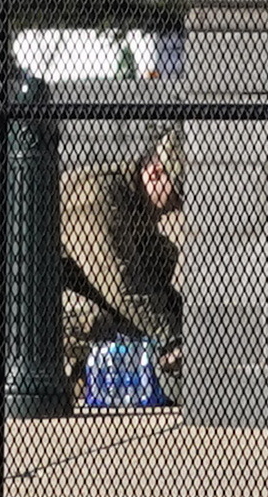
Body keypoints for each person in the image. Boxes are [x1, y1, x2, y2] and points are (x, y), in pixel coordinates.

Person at [59, 131, 183, 359]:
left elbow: (150, 280)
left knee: (162, 254)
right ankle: (71, 384)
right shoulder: (100, 196)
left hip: (76, 281)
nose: (178, 207)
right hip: (29, 292)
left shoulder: (136, 199)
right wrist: (170, 338)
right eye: (177, 194)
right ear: (156, 173)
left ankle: (87, 380)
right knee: (98, 320)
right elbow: (121, 285)